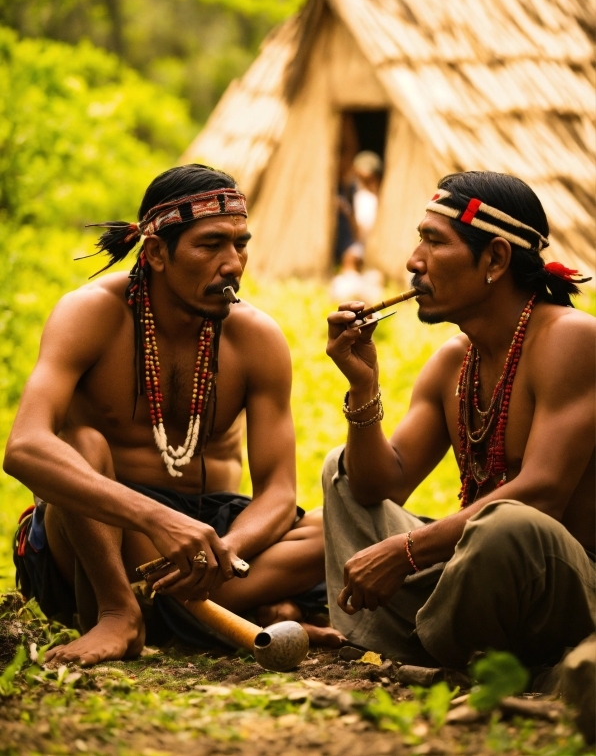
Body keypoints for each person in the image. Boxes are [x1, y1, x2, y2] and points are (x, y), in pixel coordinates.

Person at [6, 163, 338, 667]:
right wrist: (157, 520)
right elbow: (24, 447)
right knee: (80, 444)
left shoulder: (256, 338)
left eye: (240, 244)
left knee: (337, 525)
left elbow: (277, 492)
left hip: (207, 539)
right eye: (210, 245)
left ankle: (203, 608)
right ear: (157, 253)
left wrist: (225, 551)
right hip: (97, 541)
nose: (233, 264)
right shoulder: (91, 313)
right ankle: (121, 612)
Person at [323, 170, 595, 669]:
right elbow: (377, 488)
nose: (413, 261)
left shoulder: (571, 340)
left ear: (495, 258)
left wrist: (407, 551)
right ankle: (448, 636)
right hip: (478, 572)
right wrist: (363, 387)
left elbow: (544, 491)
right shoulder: (455, 361)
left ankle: (433, 640)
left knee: (508, 525)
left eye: (433, 241)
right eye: (418, 239)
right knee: (341, 472)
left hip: (569, 587)